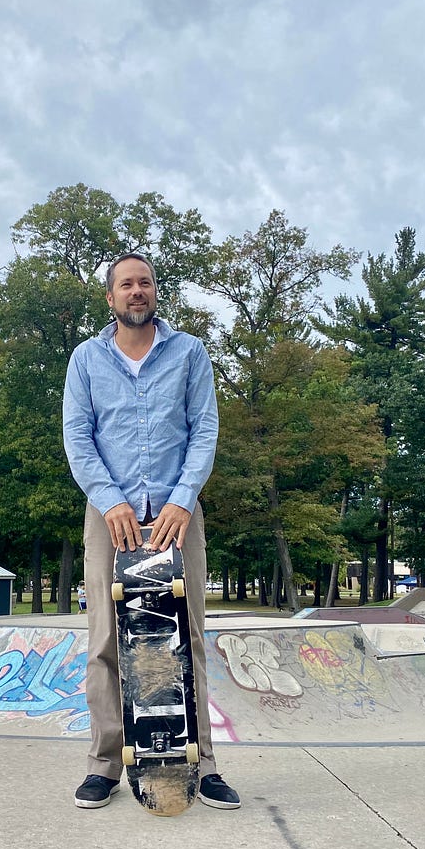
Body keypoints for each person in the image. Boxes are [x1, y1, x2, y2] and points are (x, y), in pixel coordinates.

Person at [62, 252, 241, 811]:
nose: (136, 291)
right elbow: (78, 437)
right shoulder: (86, 360)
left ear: (155, 292)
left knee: (187, 639)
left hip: (176, 514)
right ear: (110, 297)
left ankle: (201, 764)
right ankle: (105, 766)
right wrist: (109, 499)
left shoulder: (189, 353)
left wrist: (184, 500)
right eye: (125, 284)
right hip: (107, 514)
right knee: (104, 644)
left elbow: (204, 430)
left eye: (145, 283)